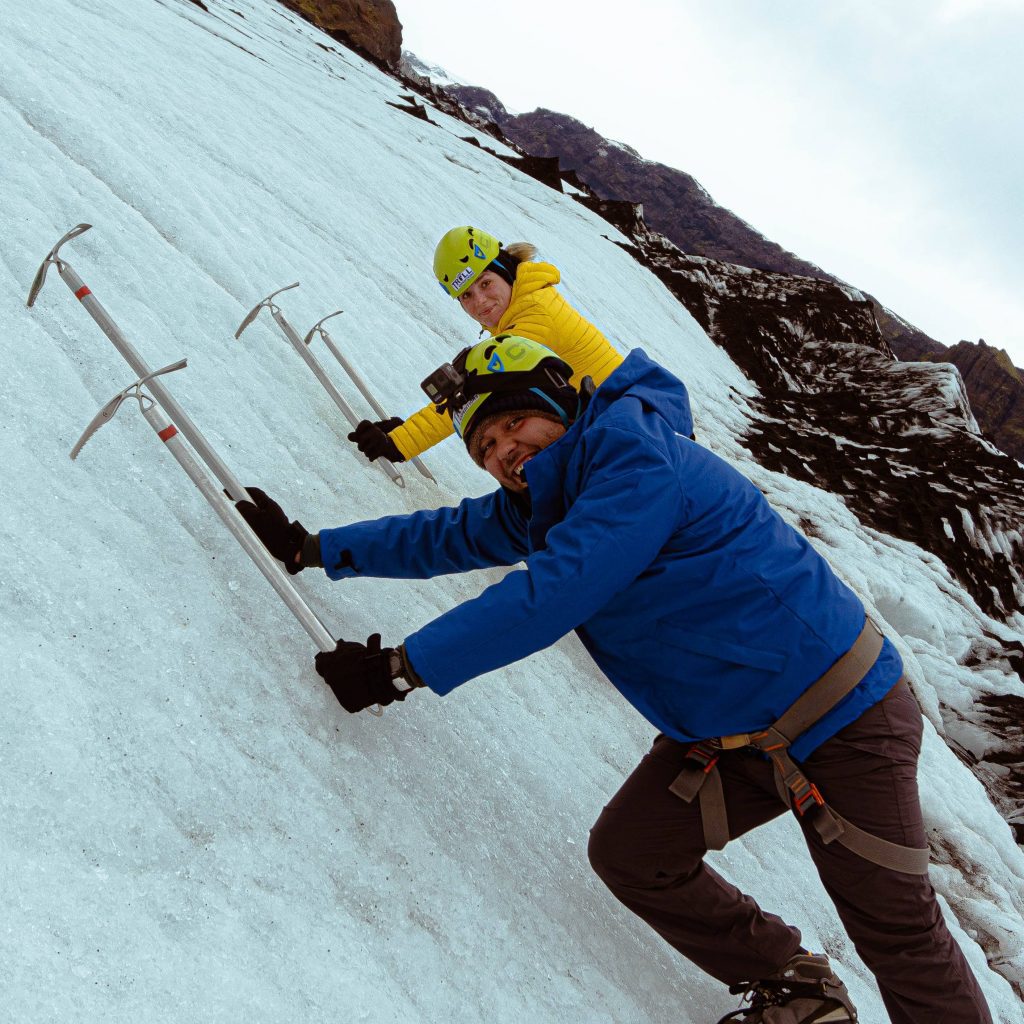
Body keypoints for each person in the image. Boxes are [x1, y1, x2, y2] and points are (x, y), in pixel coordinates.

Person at [237, 336, 993, 1024]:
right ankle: (793, 982)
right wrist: (315, 548)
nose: (504, 452)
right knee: (634, 851)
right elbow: (447, 533)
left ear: (558, 405)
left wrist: (405, 668)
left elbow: (555, 591)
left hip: (843, 716)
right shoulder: (551, 497)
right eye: (486, 445)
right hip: (738, 734)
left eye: (513, 425)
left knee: (897, 934)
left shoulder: (632, 459)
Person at [347, 225, 624, 465]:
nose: (479, 301)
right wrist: (404, 429)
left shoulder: (535, 316)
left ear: (505, 272)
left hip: (622, 434)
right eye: (466, 294)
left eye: (486, 282)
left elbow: (474, 395)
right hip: (610, 427)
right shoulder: (526, 305)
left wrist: (399, 442)